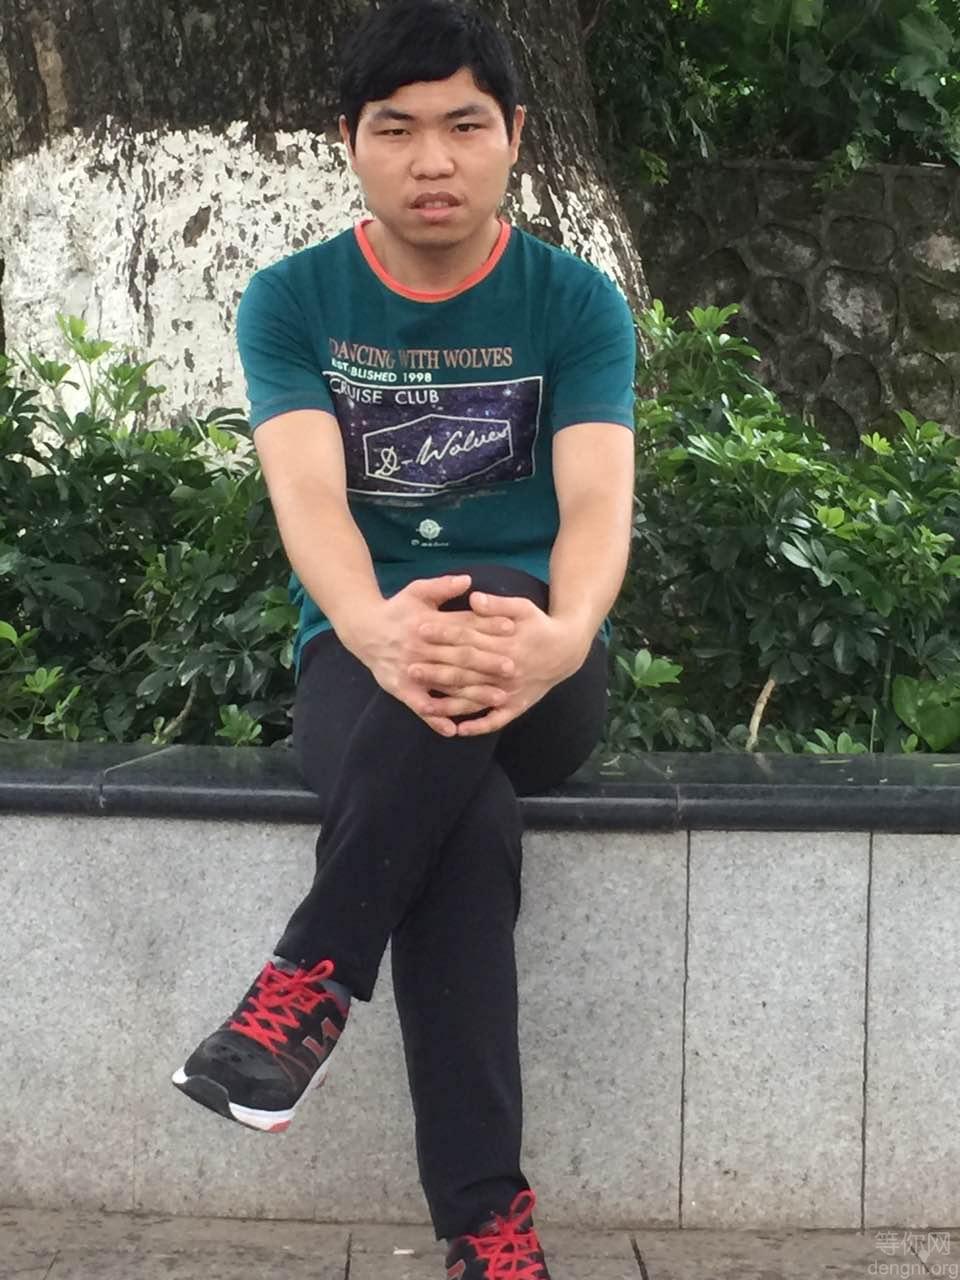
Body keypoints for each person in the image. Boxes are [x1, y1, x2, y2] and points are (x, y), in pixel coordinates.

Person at [171, 1, 636, 1275]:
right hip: (363, 656)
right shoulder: (294, 300)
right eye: (398, 128)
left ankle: (308, 980)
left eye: (464, 126)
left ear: (515, 136)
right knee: (464, 828)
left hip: (542, 661)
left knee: (491, 590)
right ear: (351, 142)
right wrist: (376, 631)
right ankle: (489, 1230)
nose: (433, 160)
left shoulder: (574, 302)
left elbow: (598, 502)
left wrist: (565, 633)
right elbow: (309, 498)